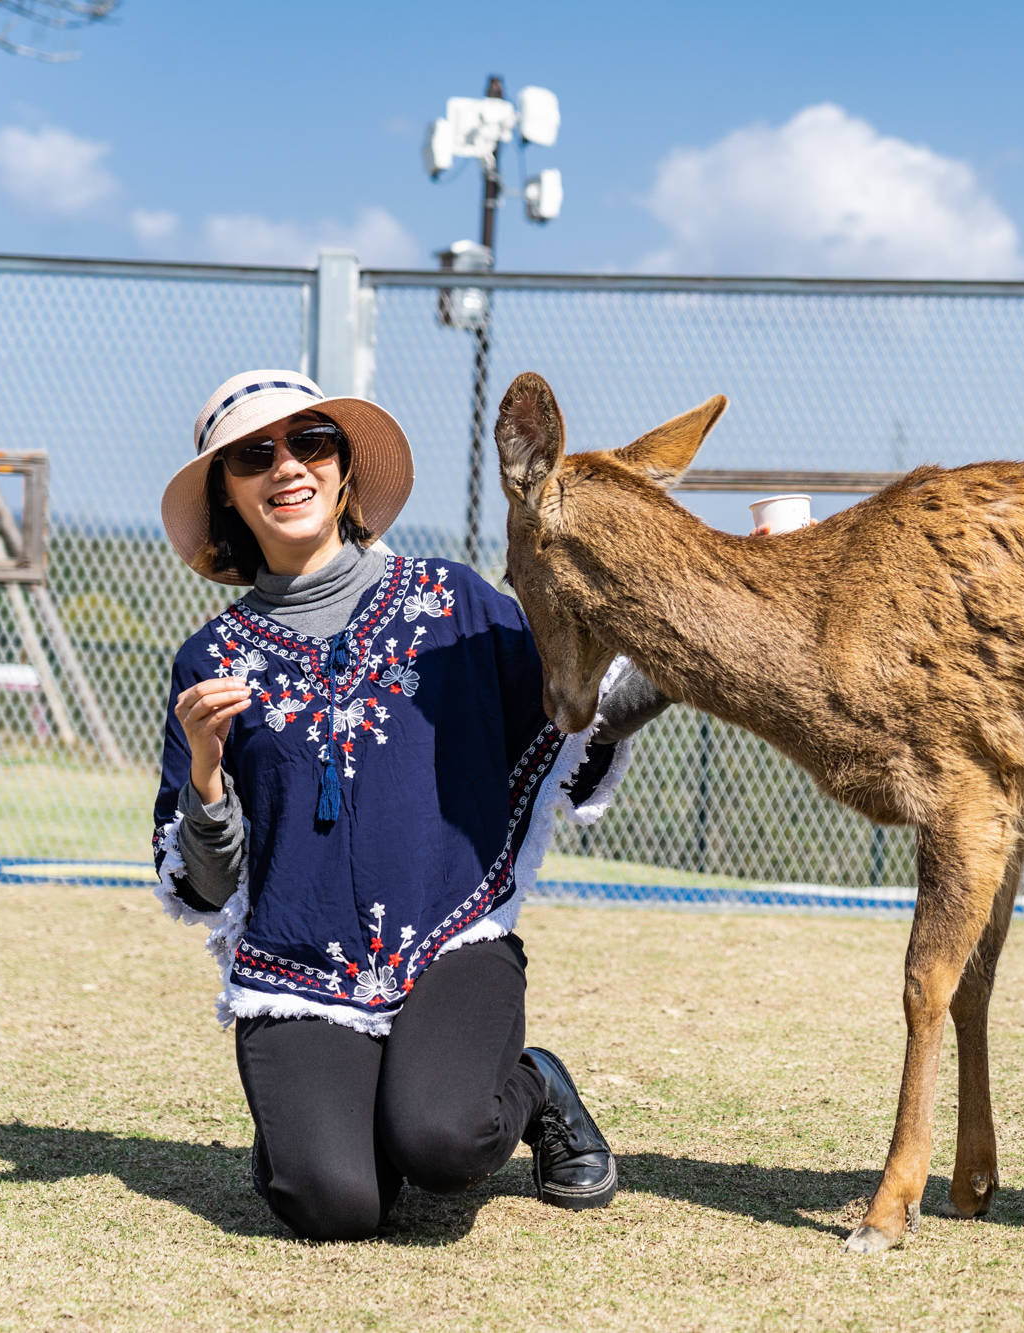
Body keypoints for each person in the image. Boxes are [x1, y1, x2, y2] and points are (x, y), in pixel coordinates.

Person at [150, 370, 663, 1241]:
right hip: (299, 972)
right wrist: (205, 772)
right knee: (330, 1204)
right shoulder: (211, 662)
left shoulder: (451, 605)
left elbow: (577, 712)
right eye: (253, 455)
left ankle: (531, 1081)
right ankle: (318, 1132)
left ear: (345, 468)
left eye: (311, 441)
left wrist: (702, 632)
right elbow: (203, 888)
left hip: (449, 940)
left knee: (443, 1142)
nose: (287, 466)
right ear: (227, 494)